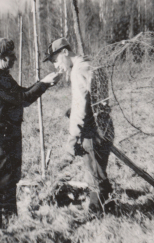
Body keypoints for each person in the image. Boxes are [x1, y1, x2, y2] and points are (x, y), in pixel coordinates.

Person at [0, 38, 62, 228]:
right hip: (1, 137)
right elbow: (24, 99)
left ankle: (11, 222)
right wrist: (43, 83)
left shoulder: (3, 76)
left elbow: (23, 94)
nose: (15, 59)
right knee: (0, 181)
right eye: (11, 56)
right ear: (2, 57)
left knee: (11, 179)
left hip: (8, 135)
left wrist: (44, 84)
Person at [43, 37, 115, 216]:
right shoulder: (91, 64)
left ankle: (97, 214)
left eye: (56, 60)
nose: (57, 66)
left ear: (65, 52)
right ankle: (107, 208)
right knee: (98, 171)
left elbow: (80, 107)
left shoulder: (77, 71)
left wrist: (72, 138)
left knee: (94, 175)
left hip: (92, 132)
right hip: (105, 127)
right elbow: (94, 97)